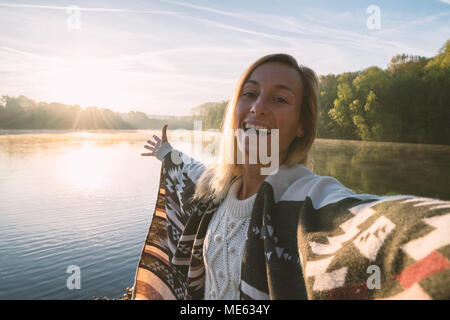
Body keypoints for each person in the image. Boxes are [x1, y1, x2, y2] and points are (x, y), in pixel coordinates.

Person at [137, 54, 450, 300]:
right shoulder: (217, 188)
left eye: (279, 99)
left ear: (302, 125)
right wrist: (168, 153)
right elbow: (193, 171)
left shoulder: (307, 198)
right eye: (250, 93)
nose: (257, 107)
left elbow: (370, 219)